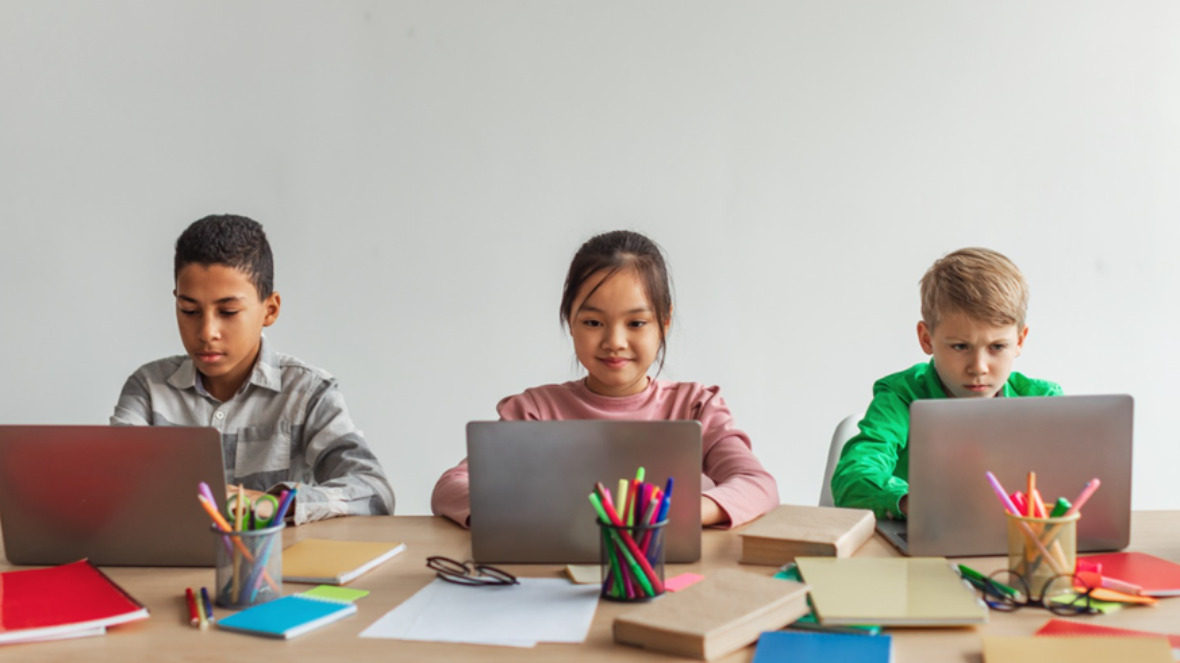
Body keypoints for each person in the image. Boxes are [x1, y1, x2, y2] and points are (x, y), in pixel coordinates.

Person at [432, 230, 778, 528]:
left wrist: (670, 514)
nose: (614, 341)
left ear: (664, 323)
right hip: (555, 582)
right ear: (570, 320)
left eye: (636, 323)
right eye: (593, 322)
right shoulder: (535, 412)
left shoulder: (695, 407)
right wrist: (526, 514)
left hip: (668, 581)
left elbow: (756, 483)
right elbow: (452, 485)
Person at [111, 214, 394, 525]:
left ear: (269, 310)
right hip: (167, 569)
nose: (207, 332)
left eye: (228, 312)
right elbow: (113, 487)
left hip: (273, 569)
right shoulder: (149, 389)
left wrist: (276, 504)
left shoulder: (308, 393)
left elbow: (373, 490)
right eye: (189, 310)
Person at [831, 247, 1062, 520]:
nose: (978, 367)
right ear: (927, 339)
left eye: (997, 346)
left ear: (1020, 341)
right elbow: (854, 475)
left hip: (1020, 543)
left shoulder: (1043, 400)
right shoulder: (901, 397)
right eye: (960, 346)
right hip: (919, 540)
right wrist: (914, 503)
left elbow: (1069, 481)